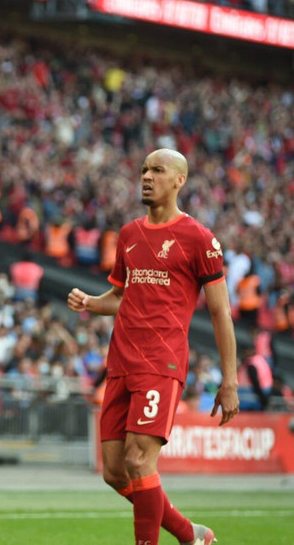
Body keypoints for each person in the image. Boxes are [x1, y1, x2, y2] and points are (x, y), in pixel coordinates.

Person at [67, 148, 238, 545]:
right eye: (144, 169)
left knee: (139, 460)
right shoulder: (128, 234)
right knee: (115, 471)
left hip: (161, 364)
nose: (147, 176)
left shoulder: (199, 239)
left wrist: (229, 380)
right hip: (120, 363)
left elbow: (220, 314)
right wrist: (92, 303)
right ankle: (188, 533)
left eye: (157, 170)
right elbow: (120, 295)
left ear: (179, 180)